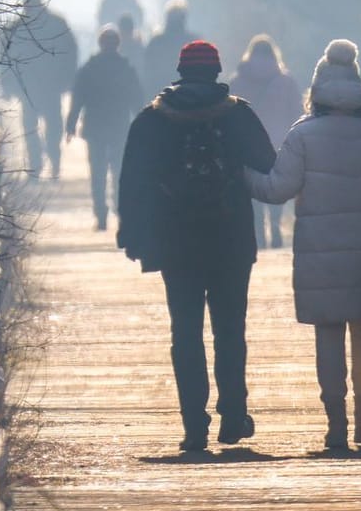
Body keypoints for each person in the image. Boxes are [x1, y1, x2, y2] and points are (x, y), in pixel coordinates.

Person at [244, 39, 361, 451]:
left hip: (321, 253)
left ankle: (335, 423)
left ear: (316, 90)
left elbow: (278, 188)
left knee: (329, 331)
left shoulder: (304, 135)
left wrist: (241, 175)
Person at [118, 40, 276, 452]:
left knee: (185, 332)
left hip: (177, 241)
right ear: (218, 71)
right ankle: (233, 415)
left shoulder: (152, 120)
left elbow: (133, 181)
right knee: (230, 330)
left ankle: (194, 424)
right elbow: (267, 162)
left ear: (181, 71)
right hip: (231, 239)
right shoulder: (238, 115)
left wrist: (132, 236)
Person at [66, 26, 144, 231]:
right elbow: (137, 99)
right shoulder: (126, 68)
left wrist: (71, 124)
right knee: (119, 172)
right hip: (119, 127)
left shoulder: (90, 68)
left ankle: (101, 215)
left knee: (98, 173)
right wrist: (142, 124)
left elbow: (78, 97)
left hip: (95, 127)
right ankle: (121, 212)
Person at [230, 35, 304, 249]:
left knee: (252, 192)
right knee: (276, 188)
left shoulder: (237, 82)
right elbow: (297, 114)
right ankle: (275, 225)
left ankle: (259, 237)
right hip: (278, 145)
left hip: (247, 147)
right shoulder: (286, 82)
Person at [2, 0, 78, 178]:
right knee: (40, 129)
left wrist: (67, 79)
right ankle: (44, 164)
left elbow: (69, 54)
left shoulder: (18, 27)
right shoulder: (55, 24)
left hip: (39, 86)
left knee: (41, 129)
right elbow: (71, 54)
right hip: (39, 87)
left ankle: (45, 164)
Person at [141, 0, 200, 90]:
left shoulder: (156, 41)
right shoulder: (193, 41)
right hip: (188, 92)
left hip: (162, 91)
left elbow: (148, 69)